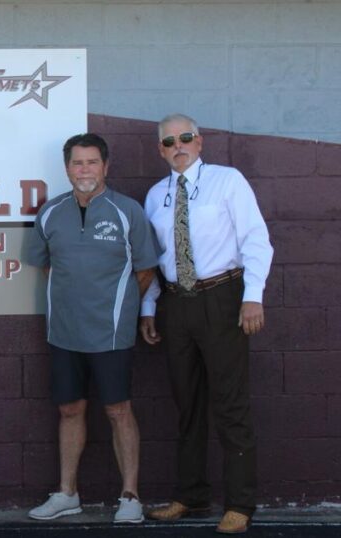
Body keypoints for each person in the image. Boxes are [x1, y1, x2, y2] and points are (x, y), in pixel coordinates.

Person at [140, 114, 273, 534]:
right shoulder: (155, 195)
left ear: (200, 141)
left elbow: (255, 238)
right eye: (168, 142)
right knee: (187, 404)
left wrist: (253, 297)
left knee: (230, 405)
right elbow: (156, 258)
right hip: (176, 306)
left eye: (185, 138)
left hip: (223, 298)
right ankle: (191, 495)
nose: (177, 146)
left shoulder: (227, 181)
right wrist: (149, 307)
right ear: (160, 150)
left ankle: (240, 504)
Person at [24, 133, 160, 524]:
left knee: (118, 409)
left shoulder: (127, 211)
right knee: (69, 409)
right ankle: (67, 493)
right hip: (64, 332)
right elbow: (47, 265)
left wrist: (115, 305)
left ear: (106, 166)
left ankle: (130, 496)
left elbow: (146, 269)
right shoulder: (50, 213)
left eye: (92, 162)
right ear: (67, 168)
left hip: (112, 333)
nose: (84, 170)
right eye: (77, 163)